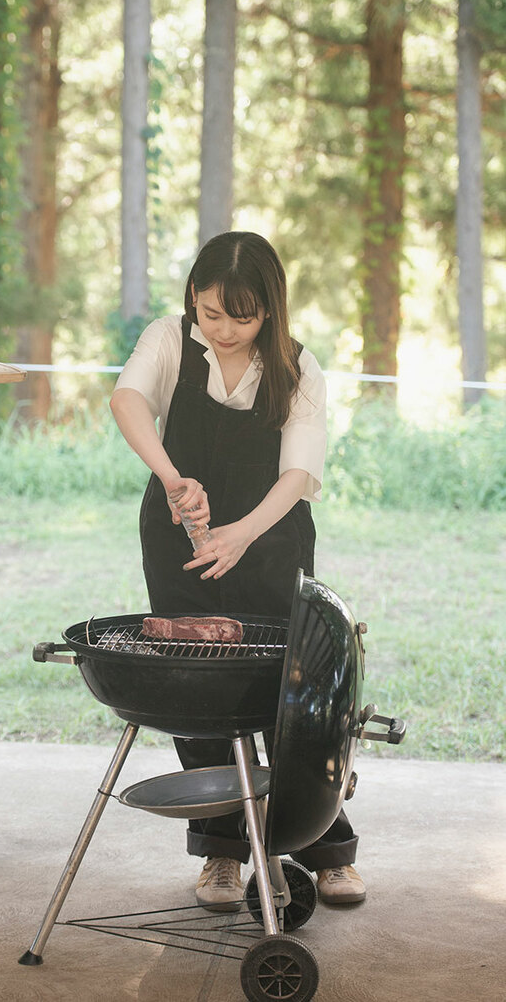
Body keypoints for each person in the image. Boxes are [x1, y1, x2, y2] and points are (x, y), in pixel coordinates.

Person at [110, 231, 365, 912]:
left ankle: (324, 847)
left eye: (240, 318)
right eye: (209, 313)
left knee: (292, 697)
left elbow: (298, 473)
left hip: (272, 537)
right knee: (197, 691)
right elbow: (127, 401)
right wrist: (170, 479)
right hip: (178, 537)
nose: (221, 331)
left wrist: (242, 534)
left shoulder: (297, 368)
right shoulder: (169, 338)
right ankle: (221, 852)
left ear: (268, 312)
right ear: (193, 300)